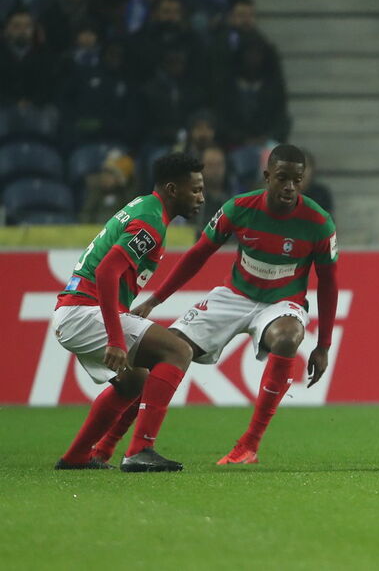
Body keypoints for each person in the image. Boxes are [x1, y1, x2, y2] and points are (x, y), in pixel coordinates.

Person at [125, 144, 338, 465]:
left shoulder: (319, 223)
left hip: (283, 302)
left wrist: (322, 345)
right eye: (282, 178)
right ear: (267, 176)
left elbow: (329, 283)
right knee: (167, 350)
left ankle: (249, 444)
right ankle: (127, 445)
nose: (290, 187)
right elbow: (198, 254)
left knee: (286, 338)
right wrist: (156, 299)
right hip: (234, 296)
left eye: (297, 179)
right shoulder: (239, 208)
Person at [53, 152, 205, 472]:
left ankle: (78, 456)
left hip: (76, 309)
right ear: (172, 189)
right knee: (178, 351)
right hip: (83, 310)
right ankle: (140, 450)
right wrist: (116, 339)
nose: (201, 198)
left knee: (134, 381)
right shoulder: (151, 221)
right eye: (195, 190)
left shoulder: (145, 206)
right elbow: (107, 272)